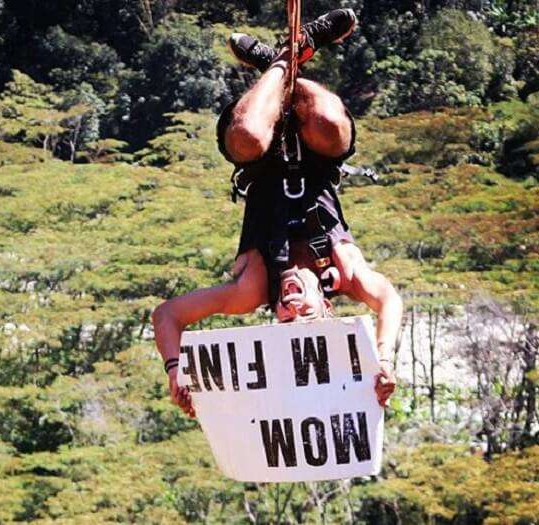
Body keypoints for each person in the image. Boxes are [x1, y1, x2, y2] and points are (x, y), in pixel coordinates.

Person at [152, 9, 402, 419]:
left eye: (285, 320)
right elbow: (388, 299)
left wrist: (176, 371)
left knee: (248, 134)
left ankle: (281, 62)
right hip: (319, 156)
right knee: (327, 121)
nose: (290, 308)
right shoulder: (343, 272)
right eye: (305, 316)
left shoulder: (253, 288)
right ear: (326, 308)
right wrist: (385, 359)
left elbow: (168, 314)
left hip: (257, 157)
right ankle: (294, 56)